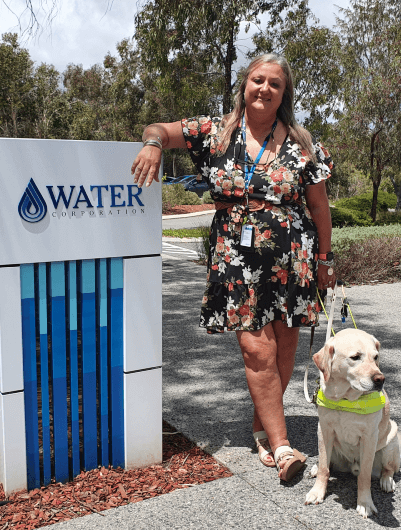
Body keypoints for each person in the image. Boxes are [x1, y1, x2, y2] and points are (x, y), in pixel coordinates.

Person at [131, 53, 335, 482]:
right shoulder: (215, 132)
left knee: (282, 348)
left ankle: (263, 426)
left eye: (274, 84)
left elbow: (319, 206)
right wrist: (152, 144)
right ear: (245, 85)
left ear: (284, 94)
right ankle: (283, 448)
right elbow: (159, 130)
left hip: (291, 258)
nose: (264, 88)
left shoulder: (302, 142)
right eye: (258, 80)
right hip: (236, 257)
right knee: (254, 348)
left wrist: (324, 259)